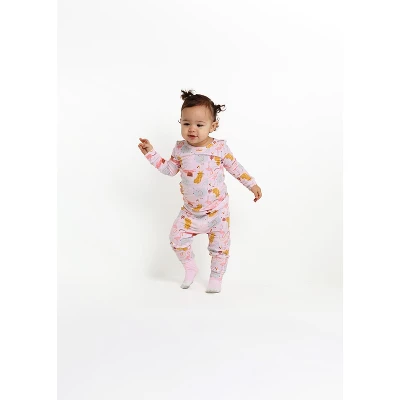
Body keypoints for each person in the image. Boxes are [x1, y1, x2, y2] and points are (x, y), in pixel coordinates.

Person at [138, 89, 262, 293]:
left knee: (220, 247)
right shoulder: (180, 149)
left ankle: (216, 278)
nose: (192, 129)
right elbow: (169, 170)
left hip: (217, 212)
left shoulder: (219, 148)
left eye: (199, 125)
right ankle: (190, 267)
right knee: (176, 238)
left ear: (213, 126)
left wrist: (252, 185)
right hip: (190, 213)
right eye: (186, 123)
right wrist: (151, 153)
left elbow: (235, 168)